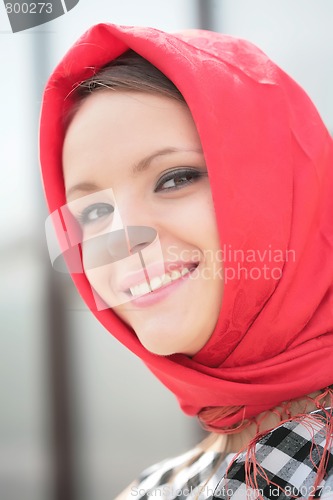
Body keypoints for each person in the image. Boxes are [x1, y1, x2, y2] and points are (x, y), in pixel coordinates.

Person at [39, 23, 333, 499]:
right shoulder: (153, 491)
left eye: (175, 179)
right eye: (93, 212)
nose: (122, 237)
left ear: (282, 188)